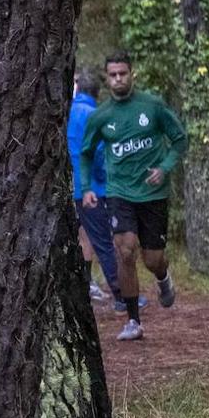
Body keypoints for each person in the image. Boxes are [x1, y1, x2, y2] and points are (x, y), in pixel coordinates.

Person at [80, 51, 187, 341]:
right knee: (125, 250)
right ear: (106, 78)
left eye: (122, 74)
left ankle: (163, 277)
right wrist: (86, 186)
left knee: (153, 259)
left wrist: (164, 168)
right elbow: (85, 153)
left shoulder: (152, 106)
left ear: (132, 74)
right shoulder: (101, 115)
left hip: (152, 193)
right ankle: (133, 321)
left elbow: (179, 139)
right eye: (113, 75)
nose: (118, 79)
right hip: (119, 192)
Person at [67, 68, 123, 303]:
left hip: (76, 186)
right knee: (105, 242)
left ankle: (83, 287)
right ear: (97, 92)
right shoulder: (93, 114)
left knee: (86, 238)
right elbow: (98, 153)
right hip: (94, 188)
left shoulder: (69, 111)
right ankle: (122, 294)